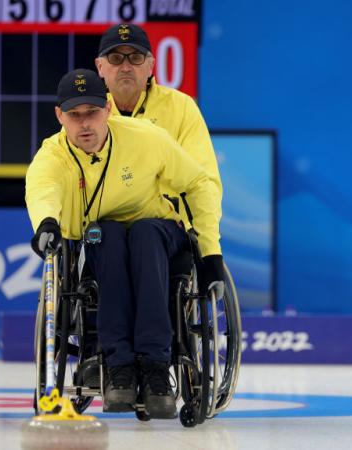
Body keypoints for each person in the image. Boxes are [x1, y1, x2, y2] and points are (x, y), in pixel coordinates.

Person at [26, 68, 226, 419]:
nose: (84, 124)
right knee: (106, 233)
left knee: (145, 233)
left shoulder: (146, 138)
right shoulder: (52, 155)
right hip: (101, 238)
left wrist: (210, 252)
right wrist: (47, 224)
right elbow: (43, 190)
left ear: (107, 109)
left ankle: (154, 367)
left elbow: (197, 182)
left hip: (160, 232)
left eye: (91, 113)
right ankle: (117, 365)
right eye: (74, 116)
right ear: (60, 116)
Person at [94, 23, 222, 211]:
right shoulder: (87, 112)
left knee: (148, 232)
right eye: (116, 58)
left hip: (168, 224)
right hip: (106, 222)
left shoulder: (181, 107)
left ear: (151, 65)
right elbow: (65, 174)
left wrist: (196, 232)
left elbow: (206, 183)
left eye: (135, 58)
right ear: (100, 67)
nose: (126, 67)